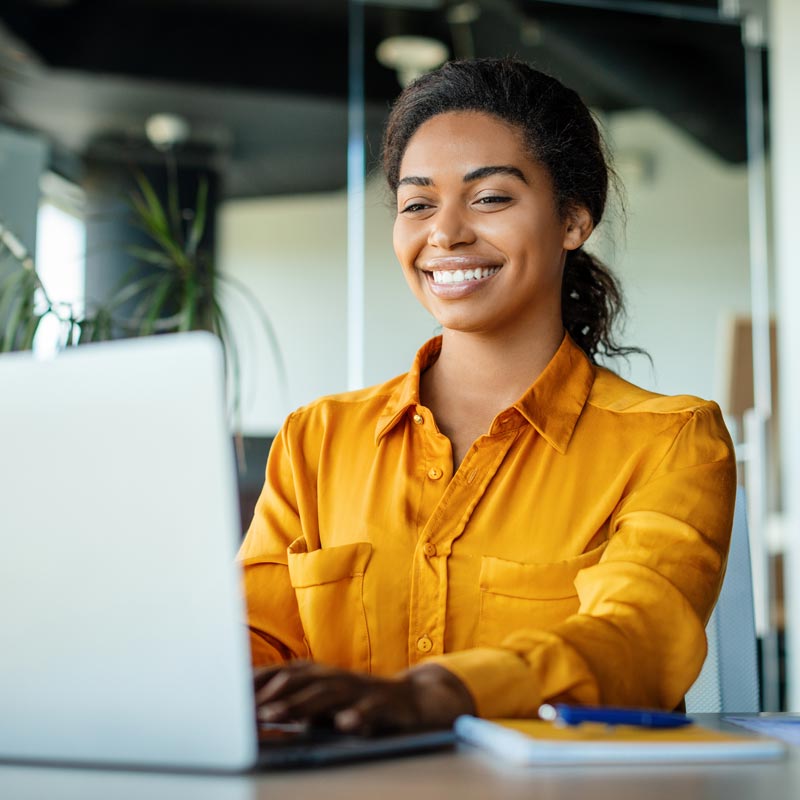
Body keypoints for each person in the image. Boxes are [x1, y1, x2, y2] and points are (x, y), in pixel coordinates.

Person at [238, 58, 736, 735]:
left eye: (490, 197)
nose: (445, 233)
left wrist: (443, 693)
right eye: (418, 203)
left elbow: (639, 639)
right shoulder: (317, 440)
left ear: (573, 219)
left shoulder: (672, 441)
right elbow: (252, 640)